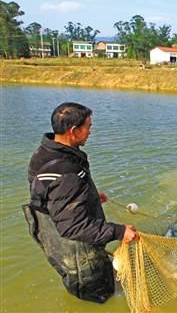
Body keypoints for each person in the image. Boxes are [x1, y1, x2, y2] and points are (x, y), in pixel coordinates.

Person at [23, 102, 138, 303]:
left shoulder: (45, 152)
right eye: (88, 127)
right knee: (100, 297)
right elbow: (73, 227)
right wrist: (119, 232)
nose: (91, 131)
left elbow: (51, 196)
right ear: (73, 131)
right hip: (78, 255)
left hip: (59, 242)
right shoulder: (66, 172)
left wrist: (90, 196)